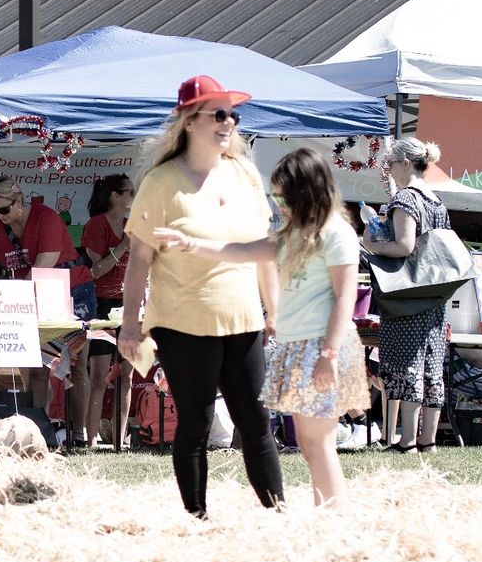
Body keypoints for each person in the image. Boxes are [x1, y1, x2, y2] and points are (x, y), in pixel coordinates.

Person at [154, 148, 366, 508]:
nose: (278, 203)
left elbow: (345, 299)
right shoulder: (294, 236)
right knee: (311, 444)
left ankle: (335, 517)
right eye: (276, 196)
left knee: (319, 442)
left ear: (306, 192)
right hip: (300, 347)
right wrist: (190, 243)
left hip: (322, 347)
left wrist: (328, 355)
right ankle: (327, 514)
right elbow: (238, 250)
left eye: (283, 196)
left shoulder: (337, 234)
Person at [117, 76, 284, 518]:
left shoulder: (245, 174)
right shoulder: (161, 181)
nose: (229, 123)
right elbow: (139, 259)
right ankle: (197, 517)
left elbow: (264, 250)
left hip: (244, 318)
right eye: (219, 114)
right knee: (195, 422)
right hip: (181, 322)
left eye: (232, 115)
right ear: (190, 121)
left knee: (256, 422)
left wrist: (275, 310)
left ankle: (277, 511)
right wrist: (130, 324)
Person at [0, 174, 95, 446]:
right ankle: (39, 432)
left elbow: (43, 269)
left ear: (19, 201)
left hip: (72, 292)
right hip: (28, 300)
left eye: (4, 209)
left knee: (77, 365)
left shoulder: (48, 218)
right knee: (35, 367)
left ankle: (79, 434)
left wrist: (14, 295)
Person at [361, 136, 450, 453]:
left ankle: (408, 441)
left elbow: (404, 246)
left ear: (406, 164)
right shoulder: (435, 200)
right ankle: (428, 441)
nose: (388, 170)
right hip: (434, 295)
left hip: (407, 295)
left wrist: (371, 244)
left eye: (391, 164)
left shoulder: (406, 200)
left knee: (408, 366)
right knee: (431, 368)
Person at [80, 173, 133, 450]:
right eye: (130, 193)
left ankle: (120, 441)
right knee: (99, 375)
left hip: (130, 304)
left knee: (127, 373)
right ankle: (90, 440)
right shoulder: (96, 225)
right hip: (101, 304)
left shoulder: (130, 224)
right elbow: (96, 270)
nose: (133, 199)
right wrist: (124, 244)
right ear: (115, 196)